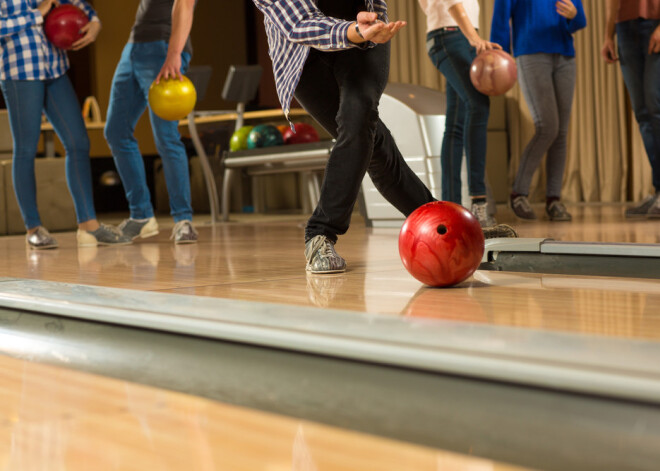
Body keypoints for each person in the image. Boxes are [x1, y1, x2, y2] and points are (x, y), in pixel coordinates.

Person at [251, 0, 516, 274]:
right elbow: (298, 24)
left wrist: (366, 27)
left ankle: (321, 234)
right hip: (304, 54)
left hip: (365, 37)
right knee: (374, 145)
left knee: (358, 118)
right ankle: (445, 225)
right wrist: (352, 31)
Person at [0, 0, 132, 249]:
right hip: (20, 71)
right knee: (26, 149)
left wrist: (94, 22)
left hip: (55, 68)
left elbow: (77, 4)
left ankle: (88, 226)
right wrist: (35, 15)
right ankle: (33, 228)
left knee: (78, 142)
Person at [104, 0, 198, 244]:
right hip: (134, 46)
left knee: (166, 136)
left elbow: (185, 5)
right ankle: (142, 215)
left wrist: (174, 53)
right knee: (115, 132)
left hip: (163, 47)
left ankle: (183, 220)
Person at [491, 0, 586, 222]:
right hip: (531, 53)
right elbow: (500, 18)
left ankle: (554, 200)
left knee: (561, 131)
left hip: (564, 55)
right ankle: (519, 193)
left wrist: (573, 15)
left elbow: (580, 20)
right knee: (547, 126)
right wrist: (500, 57)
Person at [418, 0, 500, 228]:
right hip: (451, 36)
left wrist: (471, 36)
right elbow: (452, 3)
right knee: (478, 105)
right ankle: (478, 200)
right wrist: (474, 38)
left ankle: (450, 207)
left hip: (456, 34)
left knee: (456, 122)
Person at [602, 0, 660, 218]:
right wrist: (608, 35)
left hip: (654, 23)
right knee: (643, 113)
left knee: (656, 107)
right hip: (624, 26)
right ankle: (658, 190)